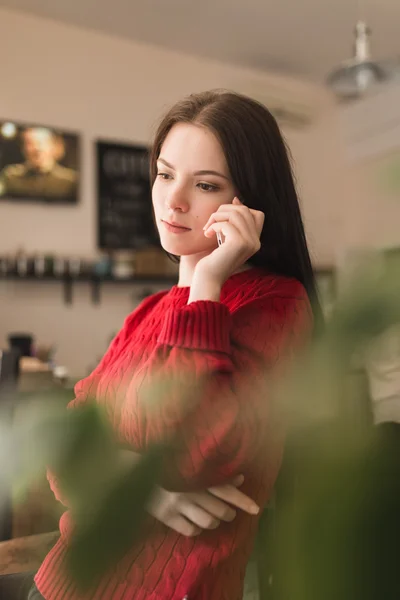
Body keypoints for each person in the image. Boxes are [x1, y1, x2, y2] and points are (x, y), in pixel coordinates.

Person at [30, 90, 320, 600]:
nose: (173, 200)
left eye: (205, 184)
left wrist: (204, 285)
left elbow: (199, 455)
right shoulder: (147, 313)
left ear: (248, 202)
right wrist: (149, 491)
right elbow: (66, 451)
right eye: (165, 174)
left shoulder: (277, 304)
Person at [0, 127, 77, 200]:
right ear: (23, 148)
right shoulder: (11, 177)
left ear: (53, 146)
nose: (37, 148)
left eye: (42, 143)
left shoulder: (70, 181)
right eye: (30, 143)